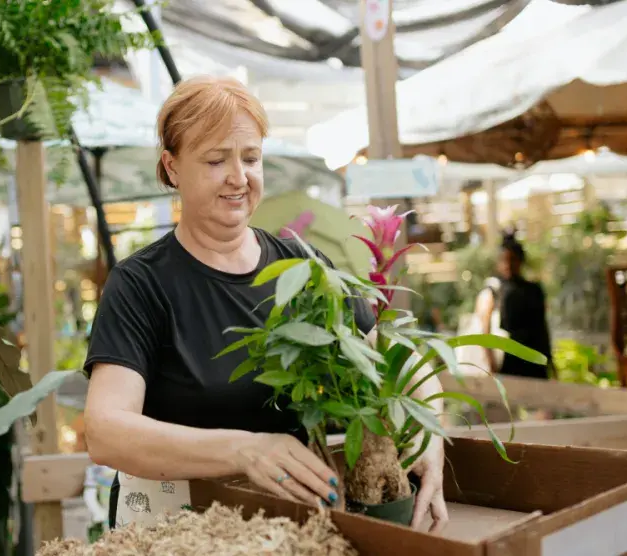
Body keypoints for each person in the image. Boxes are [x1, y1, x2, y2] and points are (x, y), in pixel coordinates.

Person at [82, 75, 448, 532]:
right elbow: (104, 431)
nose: (239, 177)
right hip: (172, 529)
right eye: (216, 160)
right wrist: (244, 449)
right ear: (172, 167)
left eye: (251, 158)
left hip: (287, 527)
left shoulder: (303, 266)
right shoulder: (141, 284)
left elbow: (396, 358)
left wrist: (429, 429)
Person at [477, 232, 553, 379]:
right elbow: (485, 330)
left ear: (521, 261)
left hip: (534, 358)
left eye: (513, 259)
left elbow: (542, 327)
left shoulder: (534, 290)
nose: (508, 265)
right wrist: (491, 363)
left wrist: (549, 360)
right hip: (508, 361)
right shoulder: (494, 290)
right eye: (504, 260)